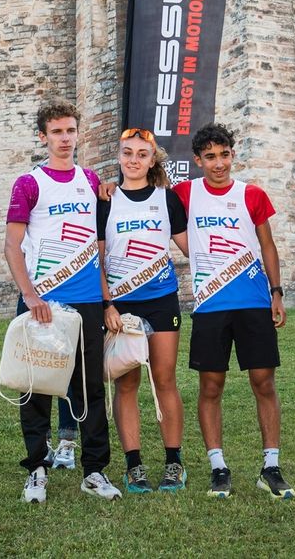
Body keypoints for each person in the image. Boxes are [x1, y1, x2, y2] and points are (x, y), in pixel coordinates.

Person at [4, 98, 120, 503]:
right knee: (34, 387)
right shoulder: (29, 183)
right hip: (43, 302)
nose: (65, 138)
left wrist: (106, 299)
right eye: (56, 131)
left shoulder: (90, 180)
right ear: (43, 136)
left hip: (86, 300)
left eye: (70, 130)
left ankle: (95, 470)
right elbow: (12, 245)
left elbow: (101, 241)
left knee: (87, 388)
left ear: (78, 133)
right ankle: (37, 469)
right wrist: (30, 294)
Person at [172, 123, 294, 500]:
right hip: (211, 304)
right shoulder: (184, 193)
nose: (219, 163)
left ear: (232, 155)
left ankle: (270, 466)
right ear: (198, 160)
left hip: (255, 302)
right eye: (210, 156)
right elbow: (146, 195)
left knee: (263, 381)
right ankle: (218, 467)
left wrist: (276, 292)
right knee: (211, 385)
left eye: (224, 155)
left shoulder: (252, 194)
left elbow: (268, 245)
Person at [98, 127, 189, 493]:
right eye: (127, 153)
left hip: (162, 299)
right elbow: (97, 258)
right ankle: (134, 465)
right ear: (119, 157)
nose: (133, 160)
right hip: (122, 304)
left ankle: (174, 462)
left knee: (165, 380)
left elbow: (191, 247)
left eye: (141, 154)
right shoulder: (105, 200)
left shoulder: (167, 200)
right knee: (127, 383)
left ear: (153, 161)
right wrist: (107, 303)